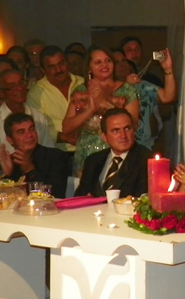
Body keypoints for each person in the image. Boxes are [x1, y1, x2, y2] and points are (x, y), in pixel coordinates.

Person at [63, 46, 139, 176]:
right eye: (98, 62)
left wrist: (103, 102)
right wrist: (90, 110)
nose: (104, 65)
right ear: (89, 67)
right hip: (86, 153)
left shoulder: (127, 90)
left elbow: (133, 124)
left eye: (107, 60)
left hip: (117, 150)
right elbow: (66, 127)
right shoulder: (81, 91)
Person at [0, 69, 55, 176]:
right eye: (12, 86)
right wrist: (13, 165)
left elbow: (50, 152)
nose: (20, 88)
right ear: (1, 93)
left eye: (22, 83)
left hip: (39, 175)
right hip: (8, 180)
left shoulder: (38, 117)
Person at [75, 107, 152, 198]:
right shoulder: (93, 161)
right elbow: (79, 196)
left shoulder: (147, 160)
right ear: (104, 137)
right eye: (116, 130)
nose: (123, 135)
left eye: (127, 128)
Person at [113, 48, 178, 151]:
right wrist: (126, 86)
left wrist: (168, 69)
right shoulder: (108, 90)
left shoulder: (141, 85)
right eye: (116, 62)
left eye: (124, 60)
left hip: (145, 147)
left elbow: (168, 97)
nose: (122, 65)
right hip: (120, 147)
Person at [0, 112, 71, 198]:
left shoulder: (56, 157)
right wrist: (7, 175)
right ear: (10, 140)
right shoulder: (8, 162)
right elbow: (3, 199)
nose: (29, 135)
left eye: (31, 129)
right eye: (21, 132)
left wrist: (30, 170)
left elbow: (56, 195)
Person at [27, 46, 84, 153]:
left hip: (88, 149)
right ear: (43, 70)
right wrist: (61, 137)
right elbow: (36, 127)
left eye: (61, 64)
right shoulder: (36, 93)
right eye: (52, 67)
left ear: (67, 63)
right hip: (57, 152)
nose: (58, 70)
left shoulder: (82, 83)